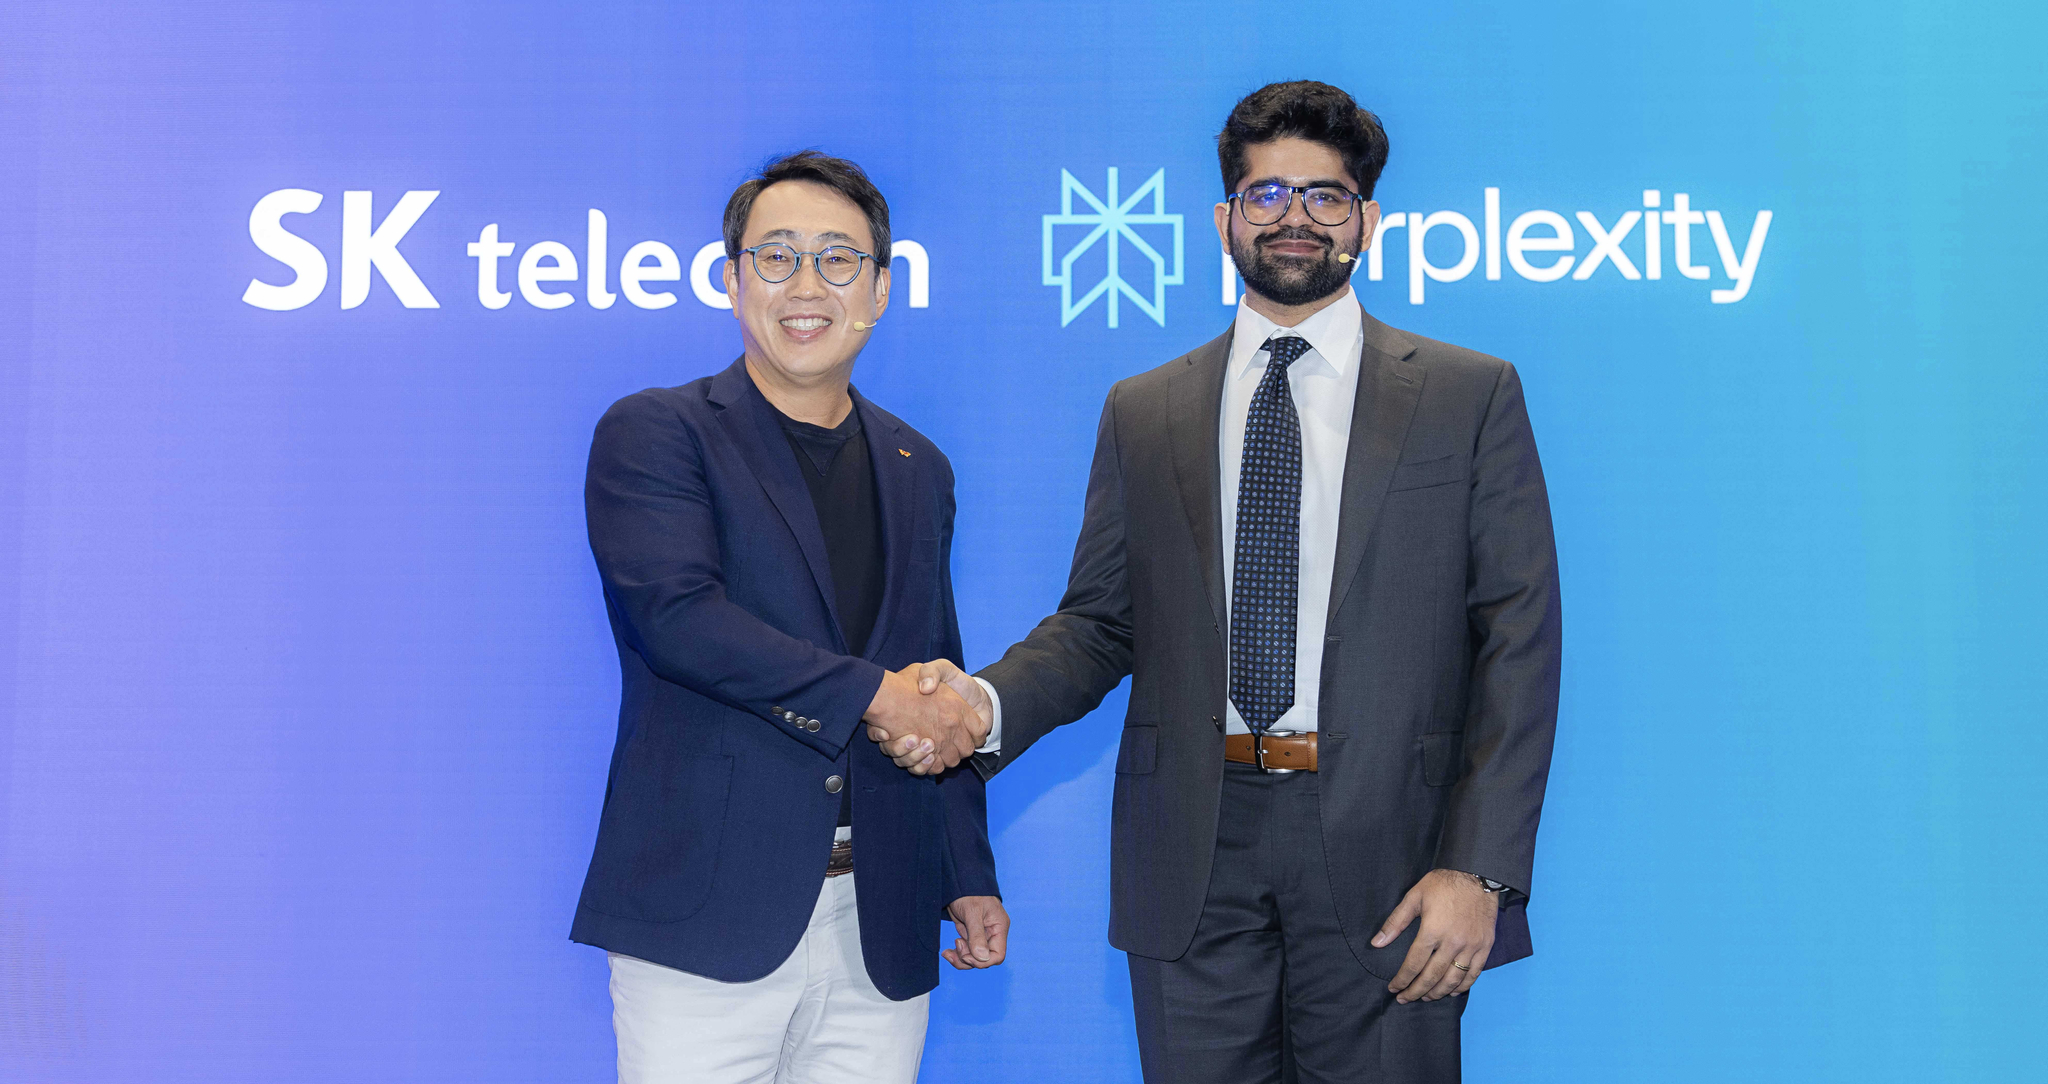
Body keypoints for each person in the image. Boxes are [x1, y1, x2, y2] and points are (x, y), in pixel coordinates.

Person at [894, 82, 1562, 1082]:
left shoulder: (1469, 396)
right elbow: (1098, 626)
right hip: (1193, 853)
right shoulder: (1144, 409)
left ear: (1367, 221)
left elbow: (1519, 643)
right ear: (1224, 219)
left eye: (1326, 196)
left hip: (1394, 855)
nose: (1295, 217)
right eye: (1266, 194)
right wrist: (981, 705)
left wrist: (1479, 867)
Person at [572, 150, 1007, 1084]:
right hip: (708, 909)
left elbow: (938, 666)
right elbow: (680, 620)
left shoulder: (916, 464)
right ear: (734, 280)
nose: (807, 285)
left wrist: (967, 870)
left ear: (880, 289)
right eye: (777, 257)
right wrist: (877, 699)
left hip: (880, 915)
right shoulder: (658, 432)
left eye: (837, 259)